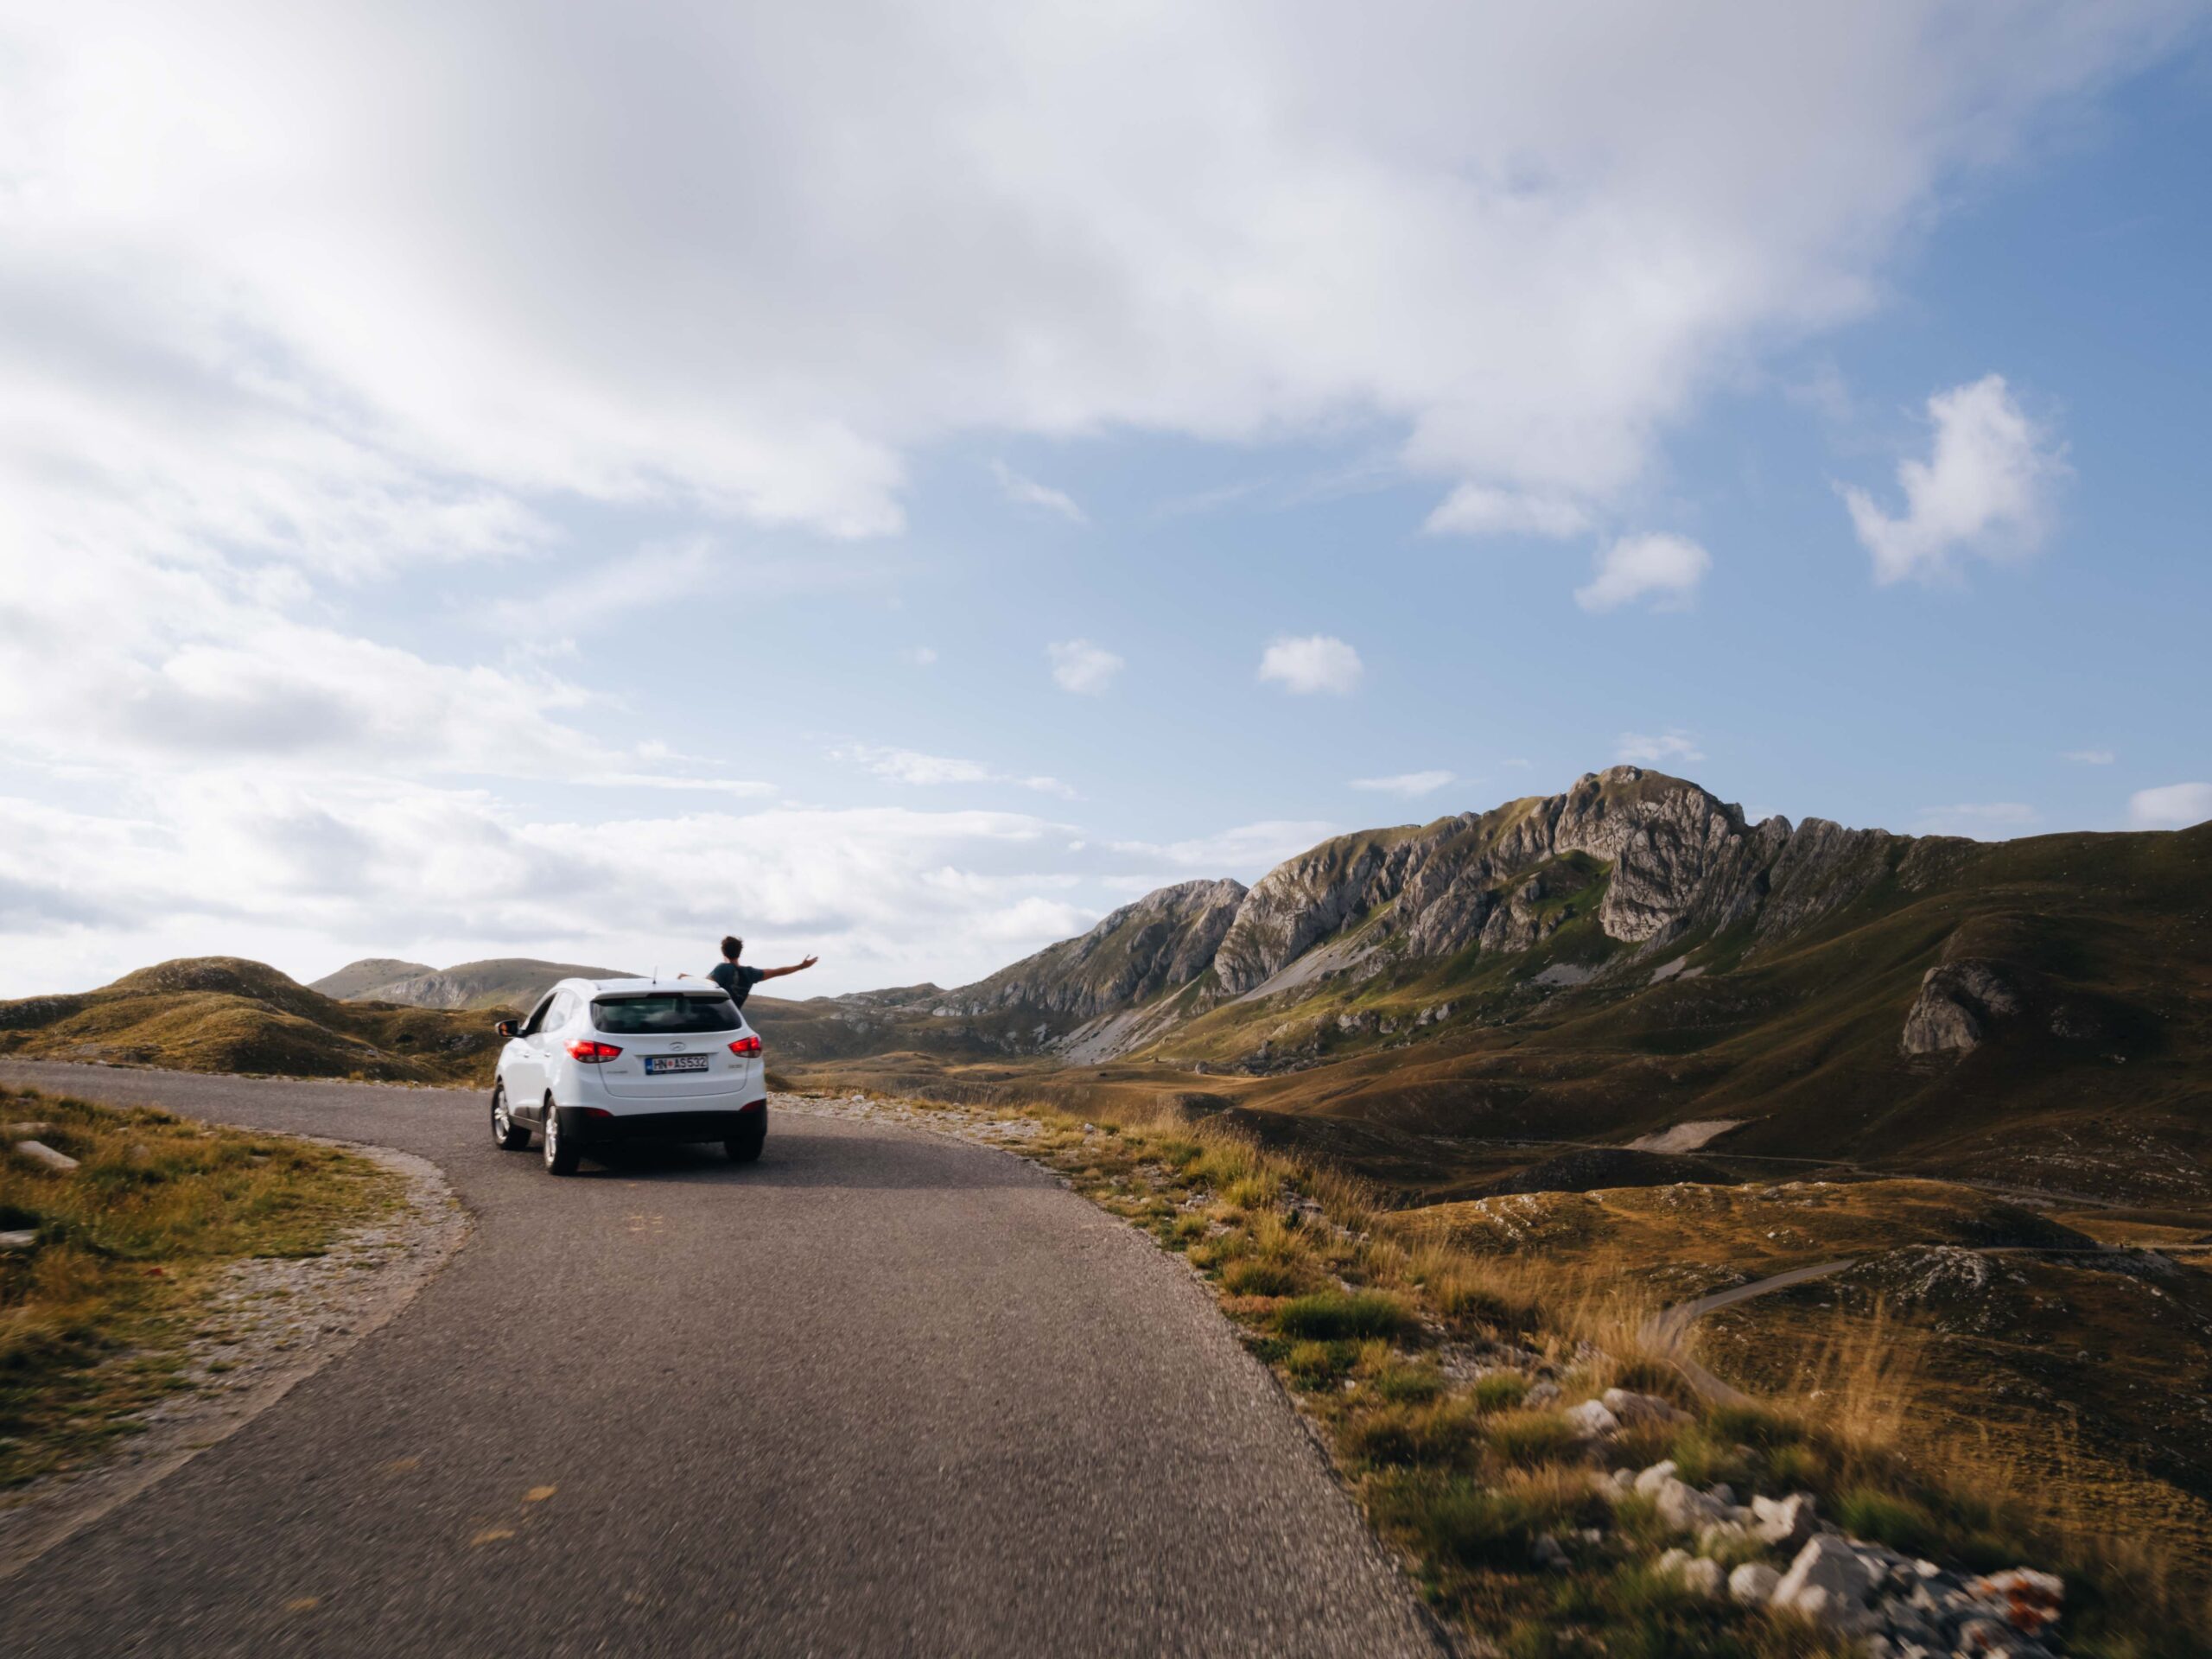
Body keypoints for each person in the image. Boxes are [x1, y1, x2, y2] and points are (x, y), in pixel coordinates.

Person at [684, 935, 817, 1007]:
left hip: (713, 1019)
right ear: (740, 952)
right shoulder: (750, 973)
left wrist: (687, 978)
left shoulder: (722, 969)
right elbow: (778, 971)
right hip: (733, 1021)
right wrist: (801, 966)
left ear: (723, 953)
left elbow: (705, 986)